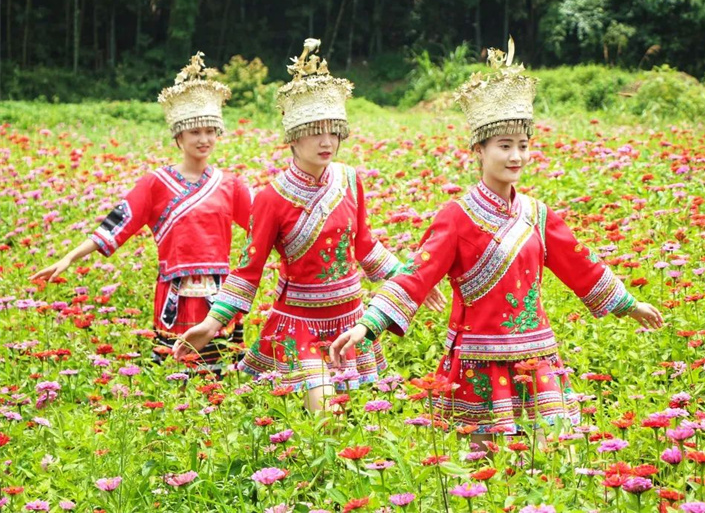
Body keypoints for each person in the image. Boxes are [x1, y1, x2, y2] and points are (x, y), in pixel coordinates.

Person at [330, 38, 663, 441]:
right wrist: (367, 325)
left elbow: (581, 265)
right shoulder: (456, 217)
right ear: (479, 150)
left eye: (522, 146)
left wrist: (629, 304)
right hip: (480, 362)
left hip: (538, 359)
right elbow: (417, 275)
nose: (515, 156)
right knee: (487, 464)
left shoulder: (537, 215)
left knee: (555, 454)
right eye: (504, 146)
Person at [174, 39, 446, 411]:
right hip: (300, 325)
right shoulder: (271, 198)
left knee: (346, 420)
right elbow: (249, 270)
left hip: (350, 318)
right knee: (324, 413)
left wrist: (409, 280)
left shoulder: (349, 180)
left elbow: (365, 246)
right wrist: (212, 323)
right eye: (315, 131)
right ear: (293, 136)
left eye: (333, 131)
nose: (326, 141)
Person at [31, 52, 252, 373]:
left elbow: (264, 225)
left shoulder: (230, 184)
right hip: (175, 295)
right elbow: (116, 223)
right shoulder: (155, 184)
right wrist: (69, 257)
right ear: (179, 136)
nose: (204, 139)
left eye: (210, 131)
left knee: (219, 379)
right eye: (195, 132)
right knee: (175, 376)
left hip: (218, 295)